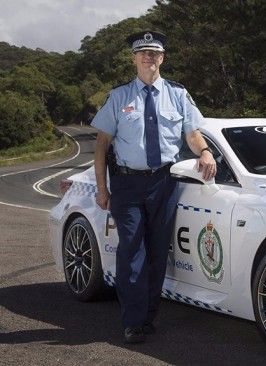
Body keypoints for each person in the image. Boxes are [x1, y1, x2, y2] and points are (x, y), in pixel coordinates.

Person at [91, 30, 217, 344]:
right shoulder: (119, 96)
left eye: (155, 53)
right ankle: (133, 321)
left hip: (164, 182)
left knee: (158, 253)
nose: (149, 58)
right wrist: (102, 188)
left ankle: (148, 316)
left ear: (162, 58)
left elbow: (192, 134)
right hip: (127, 184)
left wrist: (204, 151)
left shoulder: (178, 94)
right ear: (134, 58)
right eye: (143, 53)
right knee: (132, 250)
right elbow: (102, 144)